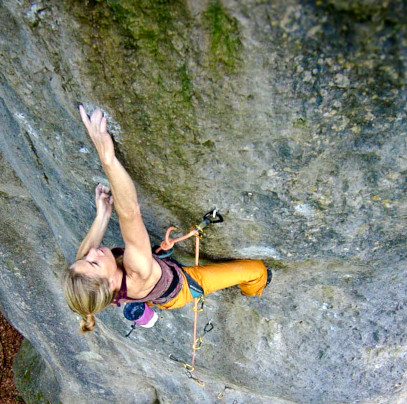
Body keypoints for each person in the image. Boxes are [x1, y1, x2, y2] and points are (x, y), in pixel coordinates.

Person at [62, 105, 269, 333]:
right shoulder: (136, 269)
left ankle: (144, 303)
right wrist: (107, 158)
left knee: (105, 267)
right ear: (110, 284)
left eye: (84, 260)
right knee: (256, 270)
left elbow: (83, 256)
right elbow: (130, 212)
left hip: (149, 276)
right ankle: (252, 291)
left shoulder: (96, 286)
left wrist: (102, 217)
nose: (92, 252)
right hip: (179, 288)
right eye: (93, 262)